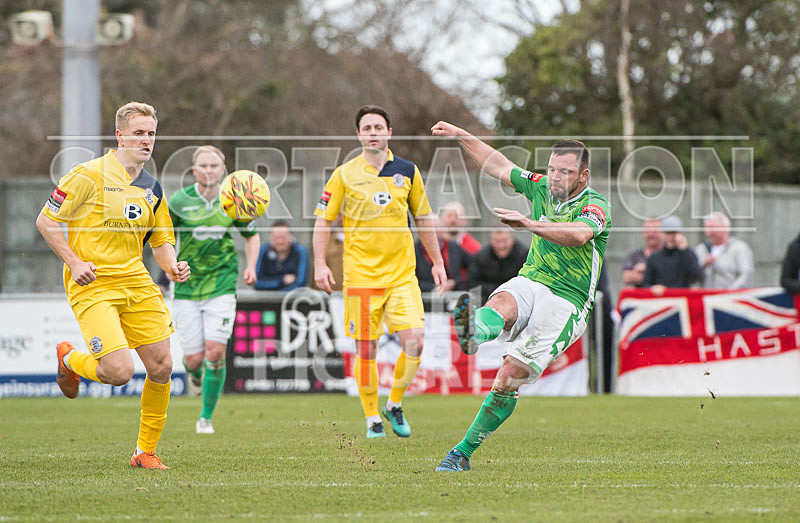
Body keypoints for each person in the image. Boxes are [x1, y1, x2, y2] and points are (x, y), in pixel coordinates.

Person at [430, 121, 610, 472]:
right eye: (552, 169)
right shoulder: (541, 186)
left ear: (583, 176)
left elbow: (578, 235)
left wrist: (529, 224)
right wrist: (461, 136)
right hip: (533, 279)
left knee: (509, 375)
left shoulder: (595, 204)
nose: (555, 177)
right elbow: (498, 165)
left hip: (568, 301)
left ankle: (462, 452)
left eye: (565, 172)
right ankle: (474, 333)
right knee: (501, 303)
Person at [35, 101, 190, 469]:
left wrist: (172, 266)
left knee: (162, 366)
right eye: (138, 133)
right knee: (119, 373)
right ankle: (69, 359)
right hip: (93, 284)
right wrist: (74, 262)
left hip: (136, 282)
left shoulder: (152, 188)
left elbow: (160, 239)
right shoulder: (87, 175)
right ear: (119, 136)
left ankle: (144, 452)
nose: (146, 140)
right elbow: (46, 221)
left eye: (151, 134)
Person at [313, 105, 446, 439]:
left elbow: (423, 218)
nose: (373, 132)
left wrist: (438, 262)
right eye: (367, 128)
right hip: (361, 278)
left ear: (389, 132)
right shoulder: (344, 174)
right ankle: (372, 416)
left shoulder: (408, 171)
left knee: (415, 342)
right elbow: (323, 221)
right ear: (358, 135)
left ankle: (394, 403)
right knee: (366, 350)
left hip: (402, 277)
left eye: (378, 127)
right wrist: (319, 263)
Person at [169, 145, 261, 434]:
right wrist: (169, 266)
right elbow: (163, 239)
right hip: (186, 287)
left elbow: (251, 235)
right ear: (194, 170)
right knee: (195, 360)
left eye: (214, 166)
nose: (209, 170)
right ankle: (194, 373)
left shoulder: (234, 200)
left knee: (215, 353)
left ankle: (205, 417)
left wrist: (251, 266)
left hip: (222, 284)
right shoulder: (179, 201)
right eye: (203, 166)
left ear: (223, 170)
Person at [642, 215, 702, 294]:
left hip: (682, 298)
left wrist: (684, 250)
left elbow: (697, 277)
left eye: (673, 233)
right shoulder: (654, 257)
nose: (670, 237)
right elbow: (645, 284)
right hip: (662, 299)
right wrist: (653, 288)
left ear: (680, 233)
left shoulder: (688, 254)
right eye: (667, 233)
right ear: (662, 234)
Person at [467, 226, 528, 303]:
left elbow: (528, 281)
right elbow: (472, 283)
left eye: (504, 241)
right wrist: (497, 291)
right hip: (489, 299)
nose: (501, 246)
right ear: (491, 241)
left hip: (518, 299)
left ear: (512, 239)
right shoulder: (482, 256)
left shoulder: (524, 254)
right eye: (497, 241)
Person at [694, 211, 754, 288]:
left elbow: (746, 275)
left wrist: (730, 292)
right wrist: (703, 266)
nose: (708, 232)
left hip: (731, 294)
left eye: (712, 227)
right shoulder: (701, 249)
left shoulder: (739, 248)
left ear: (725, 228)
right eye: (706, 227)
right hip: (706, 294)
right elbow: (692, 279)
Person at [415, 216, 472, 292]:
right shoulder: (414, 250)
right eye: (430, 229)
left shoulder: (453, 247)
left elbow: (474, 264)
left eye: (436, 228)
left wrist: (454, 282)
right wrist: (434, 287)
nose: (433, 233)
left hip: (453, 295)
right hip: (424, 296)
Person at [254, 220, 308, 291]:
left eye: (283, 237)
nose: (280, 241)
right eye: (276, 238)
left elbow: (301, 282)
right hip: (266, 297)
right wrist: (282, 280)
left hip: (293, 297)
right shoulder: (263, 251)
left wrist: (282, 292)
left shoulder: (300, 251)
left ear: (290, 236)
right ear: (271, 238)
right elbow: (257, 282)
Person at [621, 218, 664, 287]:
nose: (651, 235)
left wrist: (645, 269)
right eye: (648, 231)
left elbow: (673, 276)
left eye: (655, 231)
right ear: (643, 233)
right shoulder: (634, 255)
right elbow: (626, 277)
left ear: (662, 233)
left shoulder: (668, 254)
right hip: (641, 294)